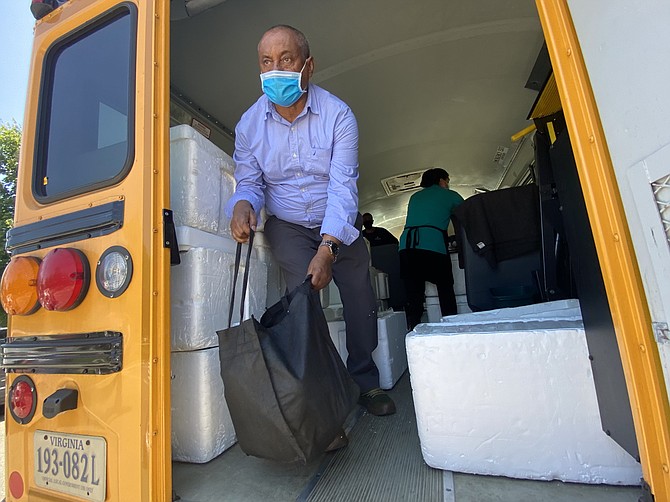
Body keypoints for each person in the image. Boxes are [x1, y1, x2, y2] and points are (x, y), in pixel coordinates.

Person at [225, 25, 396, 430]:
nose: (276, 70)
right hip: (288, 224)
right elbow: (249, 180)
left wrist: (329, 248)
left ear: (308, 66)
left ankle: (364, 380)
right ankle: (320, 399)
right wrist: (242, 204)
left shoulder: (338, 115)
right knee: (302, 299)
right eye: (267, 62)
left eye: (286, 60)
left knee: (358, 293)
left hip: (339, 222)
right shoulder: (249, 125)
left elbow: (343, 185)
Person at [398, 168, 464, 329]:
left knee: (414, 294)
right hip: (432, 244)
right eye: (447, 181)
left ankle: (413, 330)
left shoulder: (415, 197)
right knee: (445, 288)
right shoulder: (450, 195)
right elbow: (468, 214)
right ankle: (451, 327)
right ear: (441, 180)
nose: (448, 184)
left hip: (407, 246)